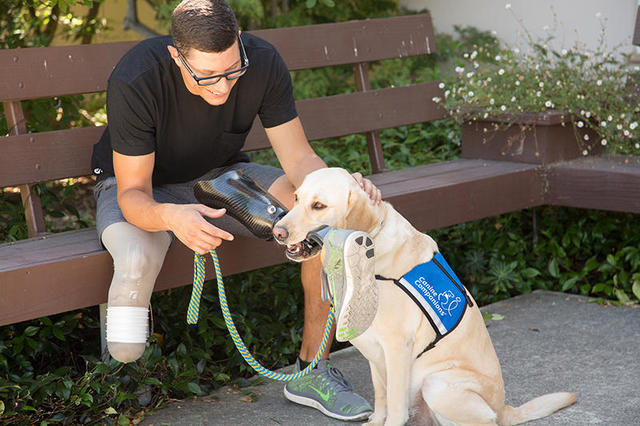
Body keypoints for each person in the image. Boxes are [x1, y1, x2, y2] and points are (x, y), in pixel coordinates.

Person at [90, 0, 381, 421]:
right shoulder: (137, 76)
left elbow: (300, 161)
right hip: (137, 185)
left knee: (326, 226)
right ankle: (109, 393)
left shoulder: (261, 62)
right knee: (134, 269)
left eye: (232, 71)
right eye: (206, 76)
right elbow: (133, 192)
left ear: (241, 44)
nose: (222, 87)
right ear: (176, 56)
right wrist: (172, 216)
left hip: (221, 177)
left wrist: (339, 188)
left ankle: (311, 370)